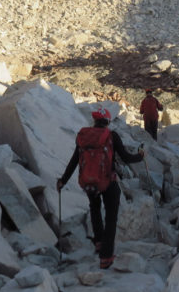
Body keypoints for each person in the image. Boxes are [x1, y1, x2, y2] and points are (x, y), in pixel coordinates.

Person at [56, 106, 144, 269]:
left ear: (95, 121)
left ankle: (98, 242)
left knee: (95, 209)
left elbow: (74, 160)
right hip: (108, 182)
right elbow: (125, 158)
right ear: (107, 122)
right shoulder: (111, 136)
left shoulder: (83, 136)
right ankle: (106, 256)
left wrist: (63, 181)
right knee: (111, 218)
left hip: (89, 181)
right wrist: (140, 156)